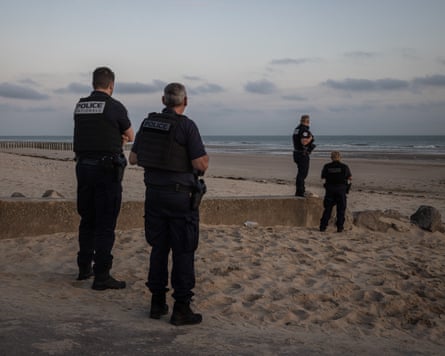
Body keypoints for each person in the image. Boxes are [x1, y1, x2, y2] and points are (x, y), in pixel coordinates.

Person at [129, 82, 209, 326]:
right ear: (185, 102)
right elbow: (200, 165)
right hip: (179, 199)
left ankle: (157, 303)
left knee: (159, 249)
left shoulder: (147, 123)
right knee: (183, 250)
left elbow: (133, 158)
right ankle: (181, 308)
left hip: (154, 195)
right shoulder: (187, 125)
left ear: (163, 101)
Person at [73, 66, 134, 290]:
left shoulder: (80, 106)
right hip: (106, 171)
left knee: (87, 219)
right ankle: (102, 276)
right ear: (112, 85)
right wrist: (119, 140)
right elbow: (130, 134)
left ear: (93, 83)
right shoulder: (115, 106)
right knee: (106, 224)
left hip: (83, 168)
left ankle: (83, 268)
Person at [319, 151, 352, 233]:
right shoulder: (344, 167)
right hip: (341, 190)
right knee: (341, 210)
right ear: (340, 157)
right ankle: (340, 228)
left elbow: (322, 177)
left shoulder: (327, 166)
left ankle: (323, 227)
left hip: (330, 189)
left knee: (327, 209)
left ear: (331, 157)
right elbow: (350, 178)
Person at [292, 114, 315, 197]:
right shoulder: (303, 130)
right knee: (303, 174)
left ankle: (300, 190)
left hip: (297, 153)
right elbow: (304, 142)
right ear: (307, 121)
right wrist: (310, 138)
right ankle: (300, 191)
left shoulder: (296, 129)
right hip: (302, 154)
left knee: (301, 173)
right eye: (309, 121)